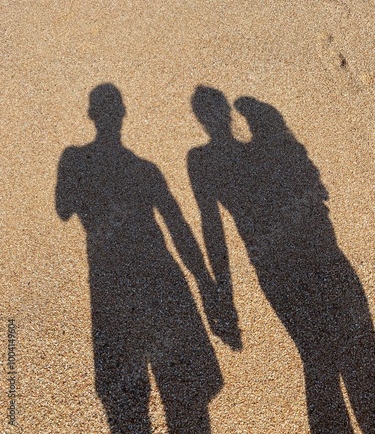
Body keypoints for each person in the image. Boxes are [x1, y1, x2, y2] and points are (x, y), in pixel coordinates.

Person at [188, 85, 375, 433]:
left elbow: (213, 230)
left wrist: (221, 292)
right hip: (321, 255)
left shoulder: (202, 162)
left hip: (278, 267)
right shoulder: (274, 148)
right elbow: (318, 194)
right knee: (356, 350)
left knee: (319, 359)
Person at [56, 83, 223, 433]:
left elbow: (63, 209)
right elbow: (177, 227)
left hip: (111, 286)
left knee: (127, 402)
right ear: (122, 116)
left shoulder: (73, 159)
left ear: (92, 116)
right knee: (182, 398)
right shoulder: (146, 170)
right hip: (159, 280)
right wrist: (204, 280)